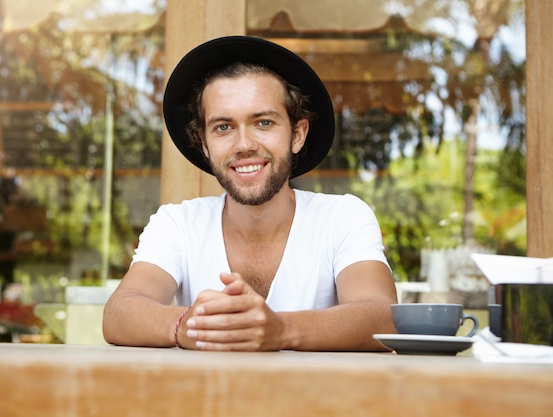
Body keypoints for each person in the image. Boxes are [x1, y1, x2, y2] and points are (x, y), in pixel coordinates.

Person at [103, 36, 397, 351]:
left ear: (297, 135)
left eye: (263, 122)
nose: (244, 144)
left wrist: (281, 329)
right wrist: (183, 325)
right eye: (223, 127)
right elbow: (119, 312)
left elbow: (384, 318)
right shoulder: (177, 223)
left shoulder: (342, 218)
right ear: (204, 144)